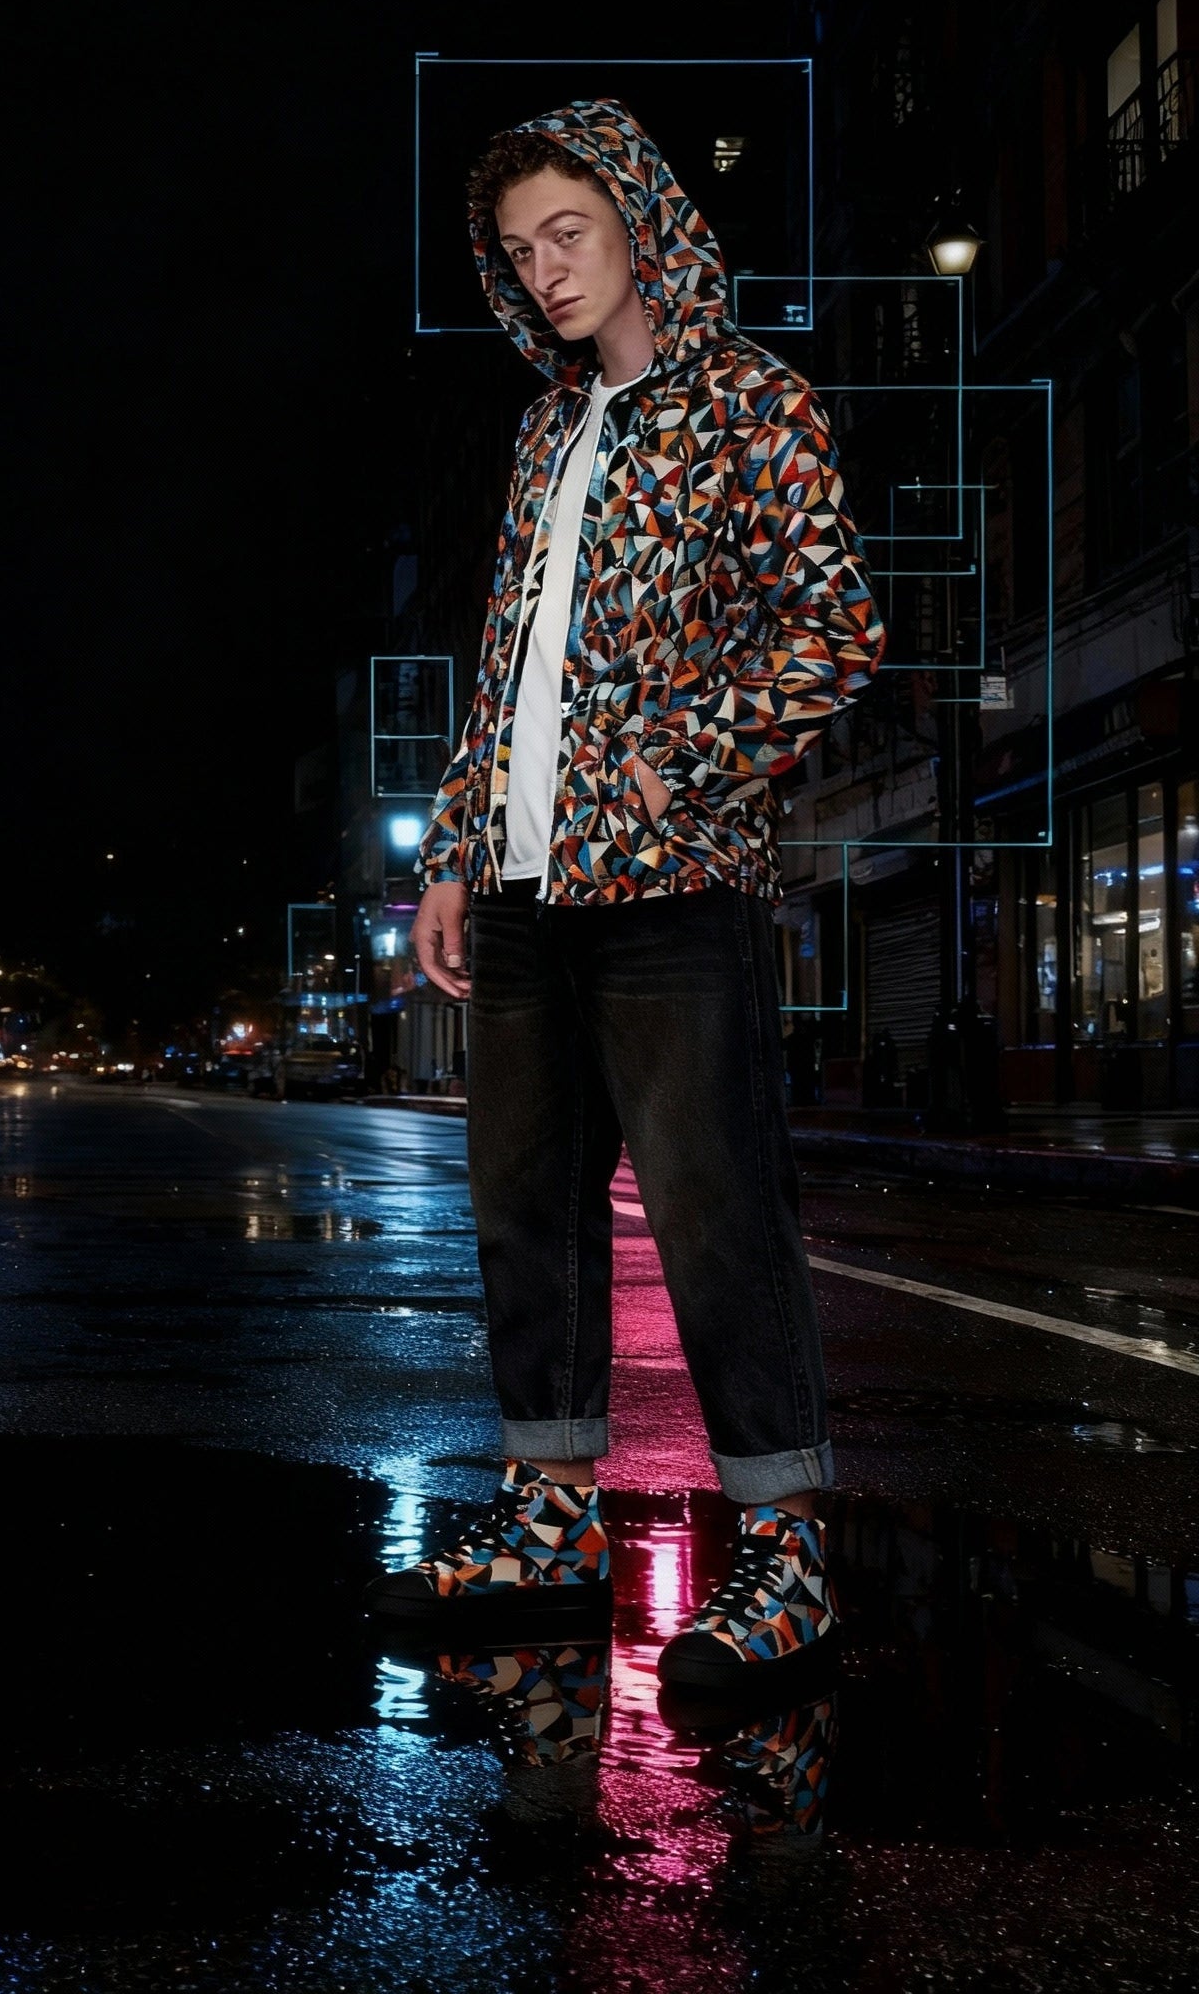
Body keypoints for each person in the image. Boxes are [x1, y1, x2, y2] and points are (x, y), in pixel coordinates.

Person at [369, 101, 882, 1687]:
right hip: (522, 887)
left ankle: (786, 1558)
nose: (546, 270)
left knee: (719, 1220)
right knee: (525, 1221)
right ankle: (548, 1521)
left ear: (643, 219)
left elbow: (835, 629)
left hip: (670, 883)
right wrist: (455, 851)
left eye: (568, 235)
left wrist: (687, 758)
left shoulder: (752, 404)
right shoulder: (545, 432)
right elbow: (504, 668)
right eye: (521, 251)